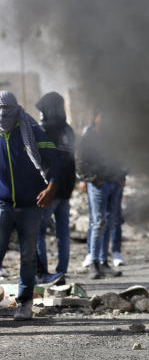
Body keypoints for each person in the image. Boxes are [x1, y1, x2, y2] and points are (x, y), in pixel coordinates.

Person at [0, 91, 64, 320]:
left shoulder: (31, 130)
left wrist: (51, 189)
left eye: (6, 109)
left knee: (28, 256)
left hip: (30, 205)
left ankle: (25, 302)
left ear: (16, 109)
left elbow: (57, 161)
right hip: (3, 204)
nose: (2, 114)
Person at [76, 110, 125, 279]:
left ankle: (104, 262)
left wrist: (121, 177)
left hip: (113, 184)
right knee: (99, 222)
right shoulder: (88, 137)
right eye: (103, 116)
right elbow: (80, 162)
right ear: (95, 118)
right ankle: (94, 263)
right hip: (98, 185)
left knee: (110, 223)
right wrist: (92, 179)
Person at [34, 92, 76, 286]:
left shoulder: (44, 131)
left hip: (50, 189)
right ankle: (61, 273)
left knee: (39, 232)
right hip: (66, 188)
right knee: (63, 234)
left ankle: (44, 274)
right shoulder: (69, 131)